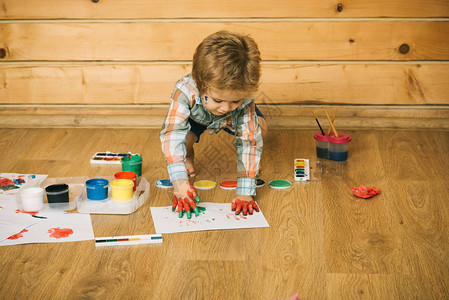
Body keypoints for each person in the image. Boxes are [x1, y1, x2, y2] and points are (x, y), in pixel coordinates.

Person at [160, 30, 267, 219]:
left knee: (260, 132)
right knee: (183, 142)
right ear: (201, 84)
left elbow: (249, 143)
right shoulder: (184, 91)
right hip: (198, 117)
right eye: (218, 100)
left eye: (234, 100)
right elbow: (172, 134)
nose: (225, 108)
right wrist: (180, 183)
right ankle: (188, 155)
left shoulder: (241, 103)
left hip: (235, 120)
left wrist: (245, 192)